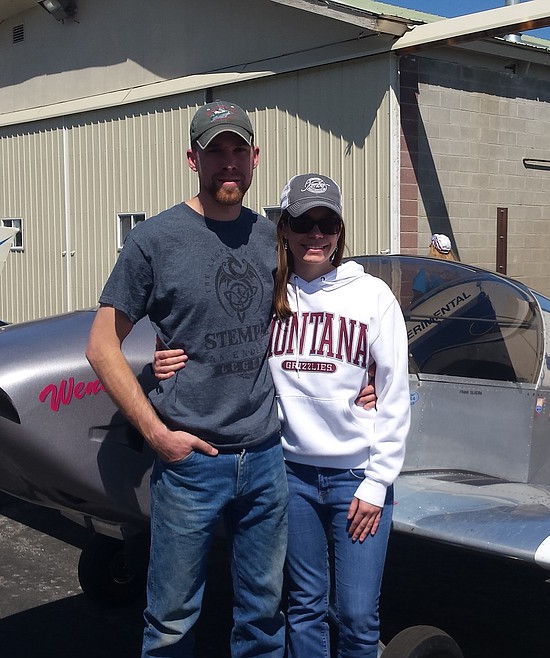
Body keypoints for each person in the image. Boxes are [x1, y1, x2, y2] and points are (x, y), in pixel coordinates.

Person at [156, 173, 410, 658]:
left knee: (358, 617)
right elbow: (211, 337)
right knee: (304, 606)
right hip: (289, 475)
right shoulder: (267, 294)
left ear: (339, 231)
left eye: (327, 223)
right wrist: (161, 355)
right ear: (285, 230)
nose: (316, 234)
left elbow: (396, 393)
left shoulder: (372, 296)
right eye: (303, 222)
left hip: (357, 479)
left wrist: (378, 483)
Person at [86, 100, 287, 658]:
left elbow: (309, 322)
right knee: (172, 621)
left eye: (237, 150)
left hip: (267, 456)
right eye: (214, 150)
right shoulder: (155, 240)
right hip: (191, 461)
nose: (228, 162)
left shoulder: (273, 238)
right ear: (192, 159)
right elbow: (102, 346)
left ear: (254, 158)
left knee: (264, 618)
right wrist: (156, 434)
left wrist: (363, 379)